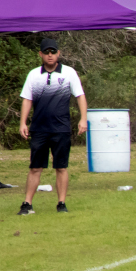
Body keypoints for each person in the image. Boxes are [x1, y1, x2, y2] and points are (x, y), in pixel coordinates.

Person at [17, 38, 87, 215]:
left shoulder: (69, 73)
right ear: (40, 54)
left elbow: (80, 96)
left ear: (58, 54)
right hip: (39, 128)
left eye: (53, 52)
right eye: (46, 52)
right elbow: (27, 99)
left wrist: (83, 119)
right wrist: (22, 122)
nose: (50, 55)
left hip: (61, 128)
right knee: (35, 167)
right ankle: (27, 203)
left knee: (61, 166)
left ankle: (61, 203)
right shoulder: (34, 74)